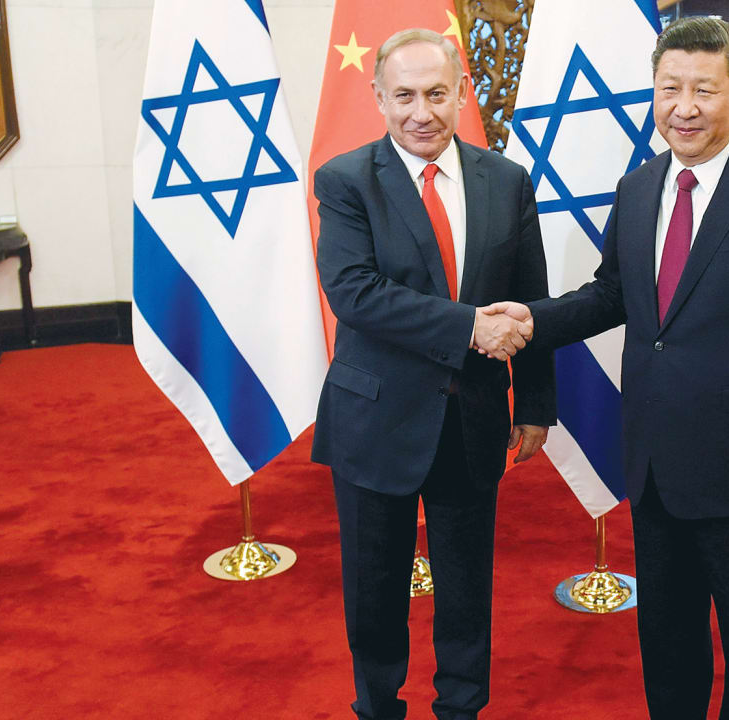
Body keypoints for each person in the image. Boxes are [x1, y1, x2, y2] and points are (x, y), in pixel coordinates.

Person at [481, 17, 729, 719]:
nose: (684, 107)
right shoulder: (639, 186)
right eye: (669, 88)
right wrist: (535, 320)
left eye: (704, 90)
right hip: (653, 458)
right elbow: (614, 293)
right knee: (667, 637)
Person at [310, 28, 555, 720]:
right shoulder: (346, 179)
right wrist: (468, 327)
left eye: (437, 94)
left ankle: (461, 707)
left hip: (472, 417)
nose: (422, 112)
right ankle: (379, 705)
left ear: (461, 93)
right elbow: (353, 292)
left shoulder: (505, 181)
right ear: (379, 98)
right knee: (375, 584)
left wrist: (534, 402)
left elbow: (527, 297)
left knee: (466, 586)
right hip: (375, 419)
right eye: (406, 96)